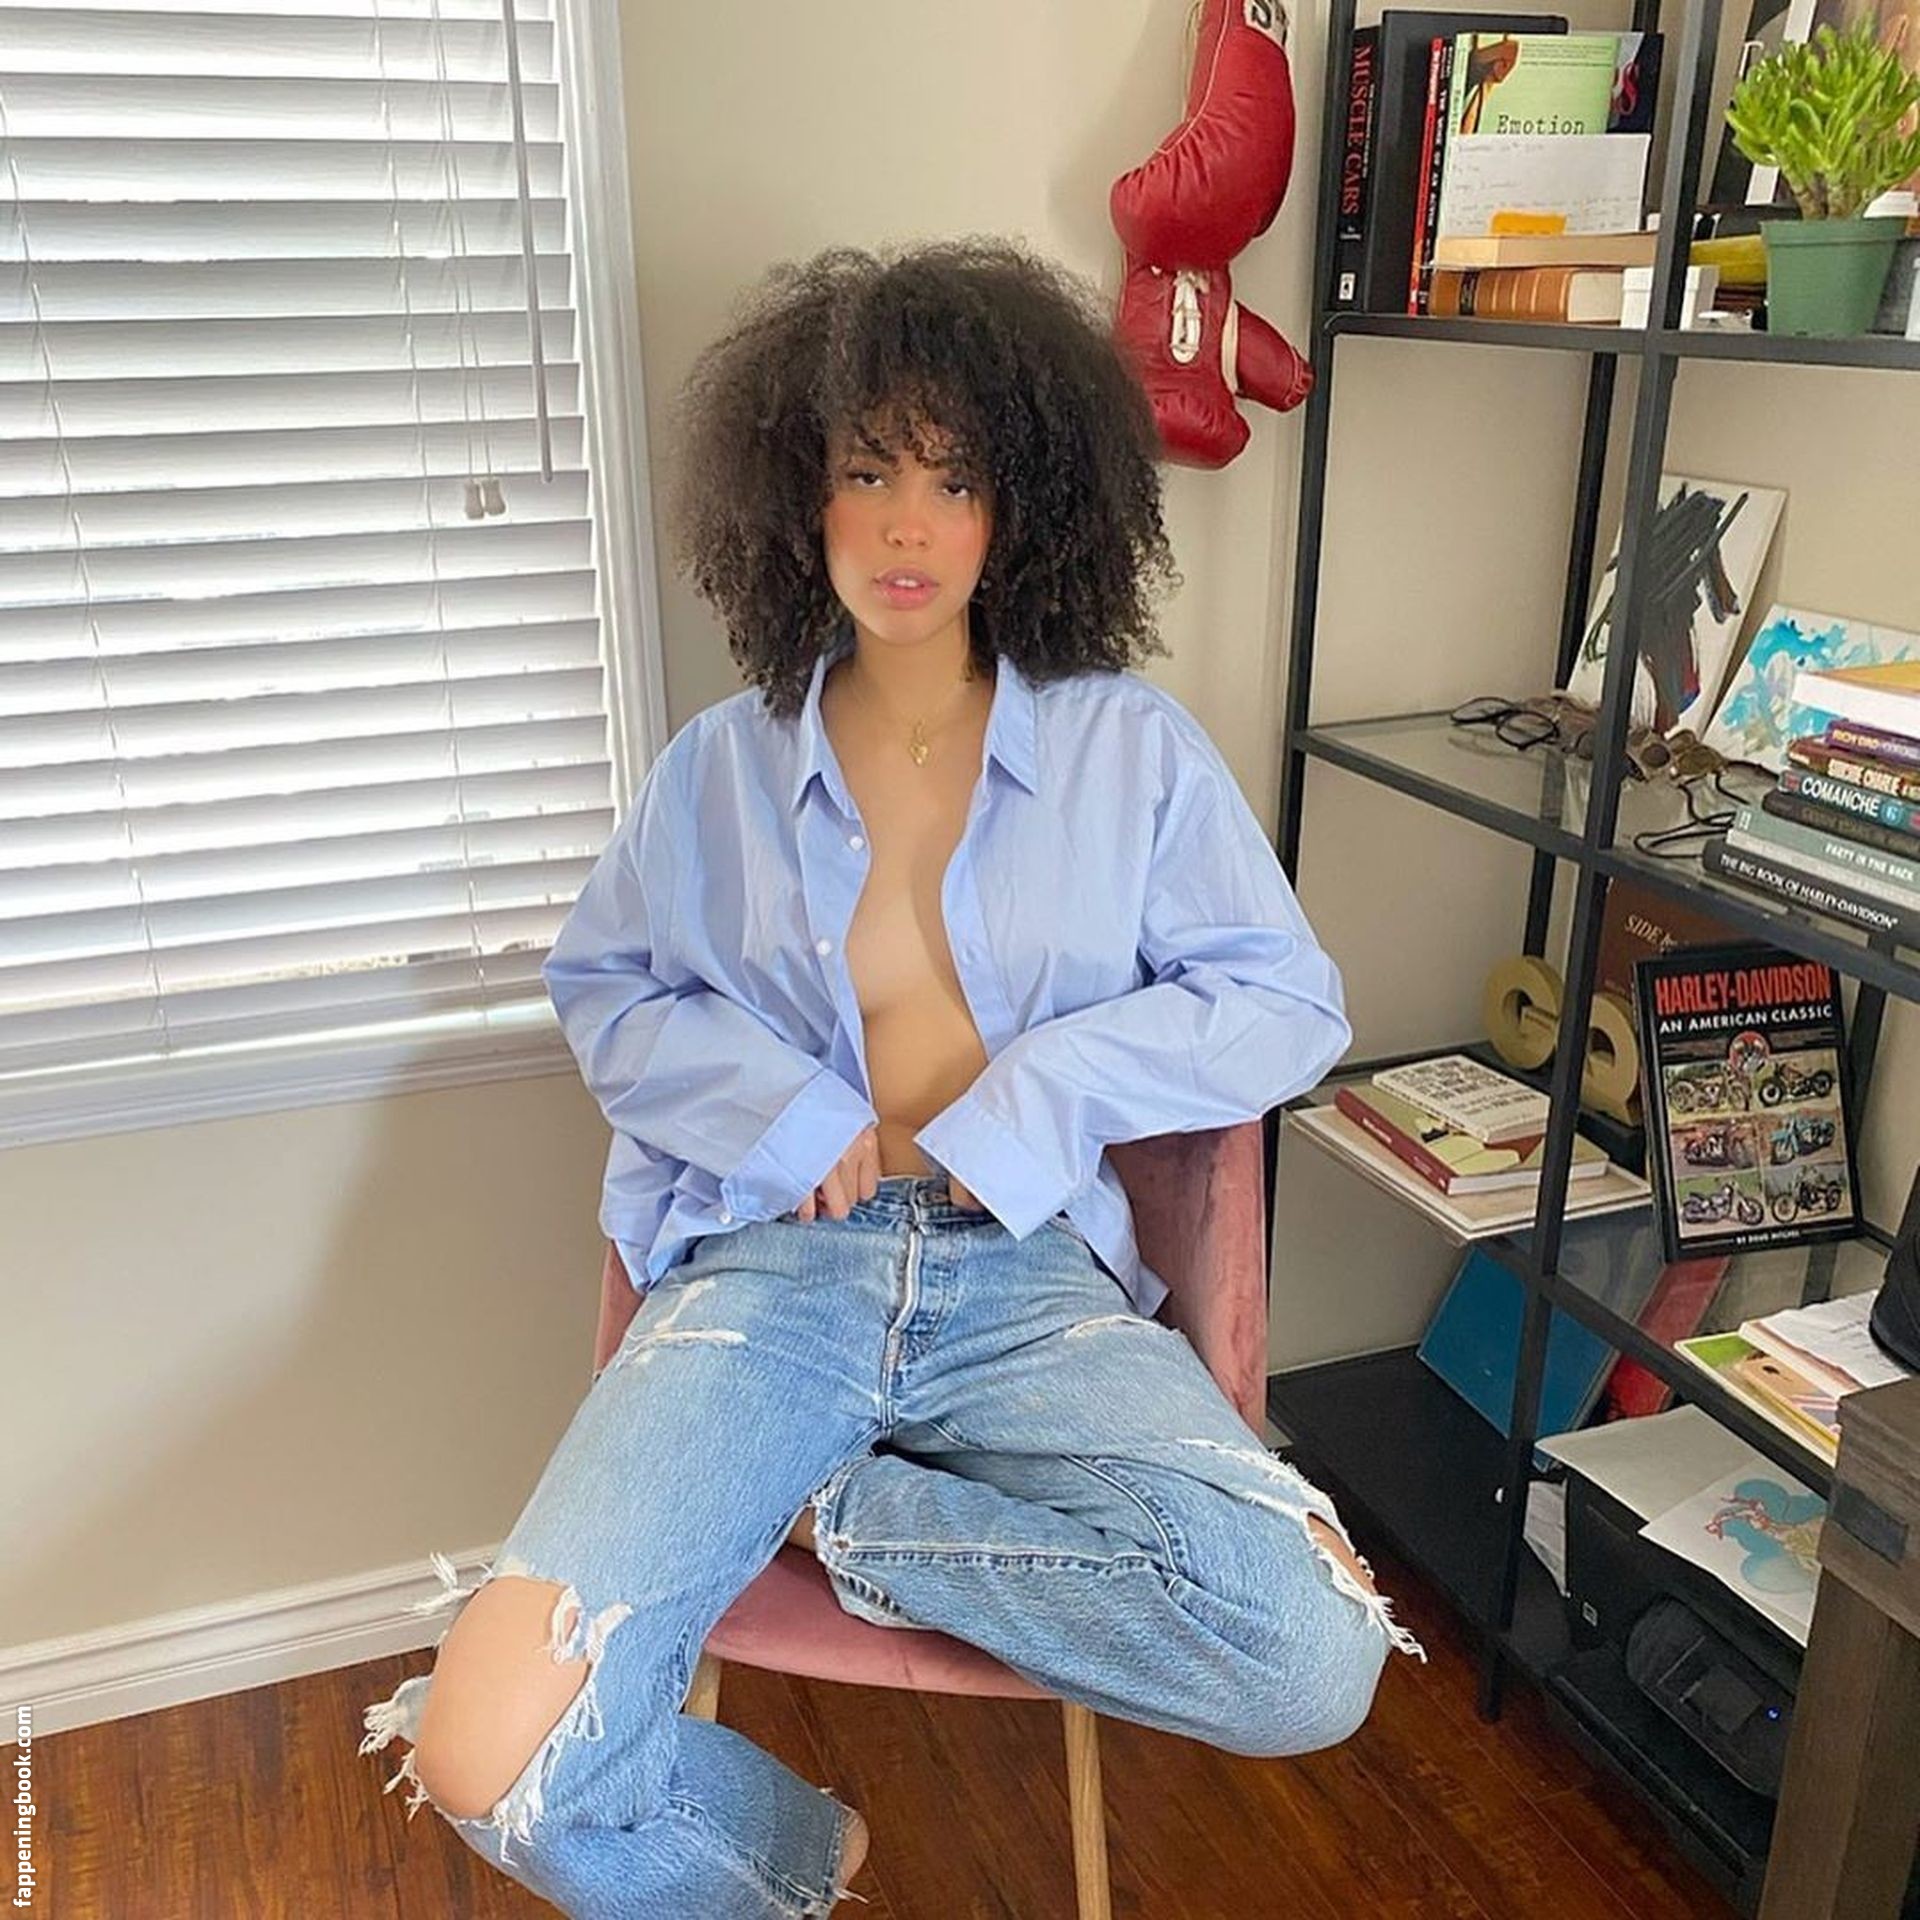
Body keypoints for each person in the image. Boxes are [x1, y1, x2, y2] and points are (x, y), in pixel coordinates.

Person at [360, 238, 1423, 1919]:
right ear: (801, 496)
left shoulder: (1130, 751)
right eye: (868, 473)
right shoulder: (715, 772)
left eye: (954, 478)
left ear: (1025, 509)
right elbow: (609, 988)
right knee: (487, 1761)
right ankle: (790, 1852)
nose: (908, 526)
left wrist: (1044, 1093)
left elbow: (1284, 1004)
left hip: (1031, 1283)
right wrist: (785, 1117)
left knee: (1310, 1651)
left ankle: (830, 1513)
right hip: (766, 1274)